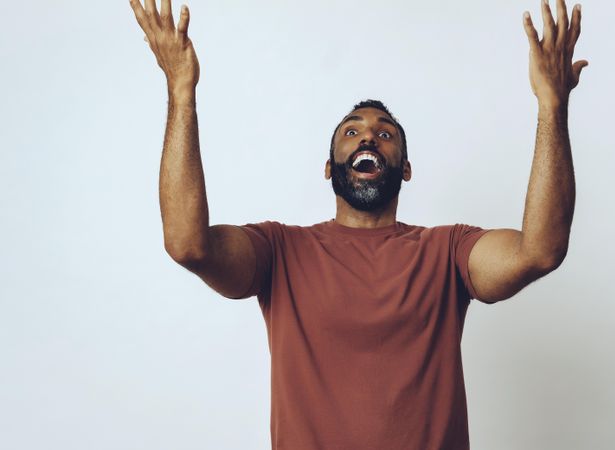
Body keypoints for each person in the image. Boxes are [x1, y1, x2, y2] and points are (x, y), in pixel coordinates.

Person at [129, 1, 587, 448]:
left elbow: (539, 251)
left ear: (405, 169)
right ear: (330, 168)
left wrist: (552, 105)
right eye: (352, 131)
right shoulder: (280, 249)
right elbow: (188, 245)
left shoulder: (448, 250)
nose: (369, 134)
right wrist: (181, 92)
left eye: (385, 133)